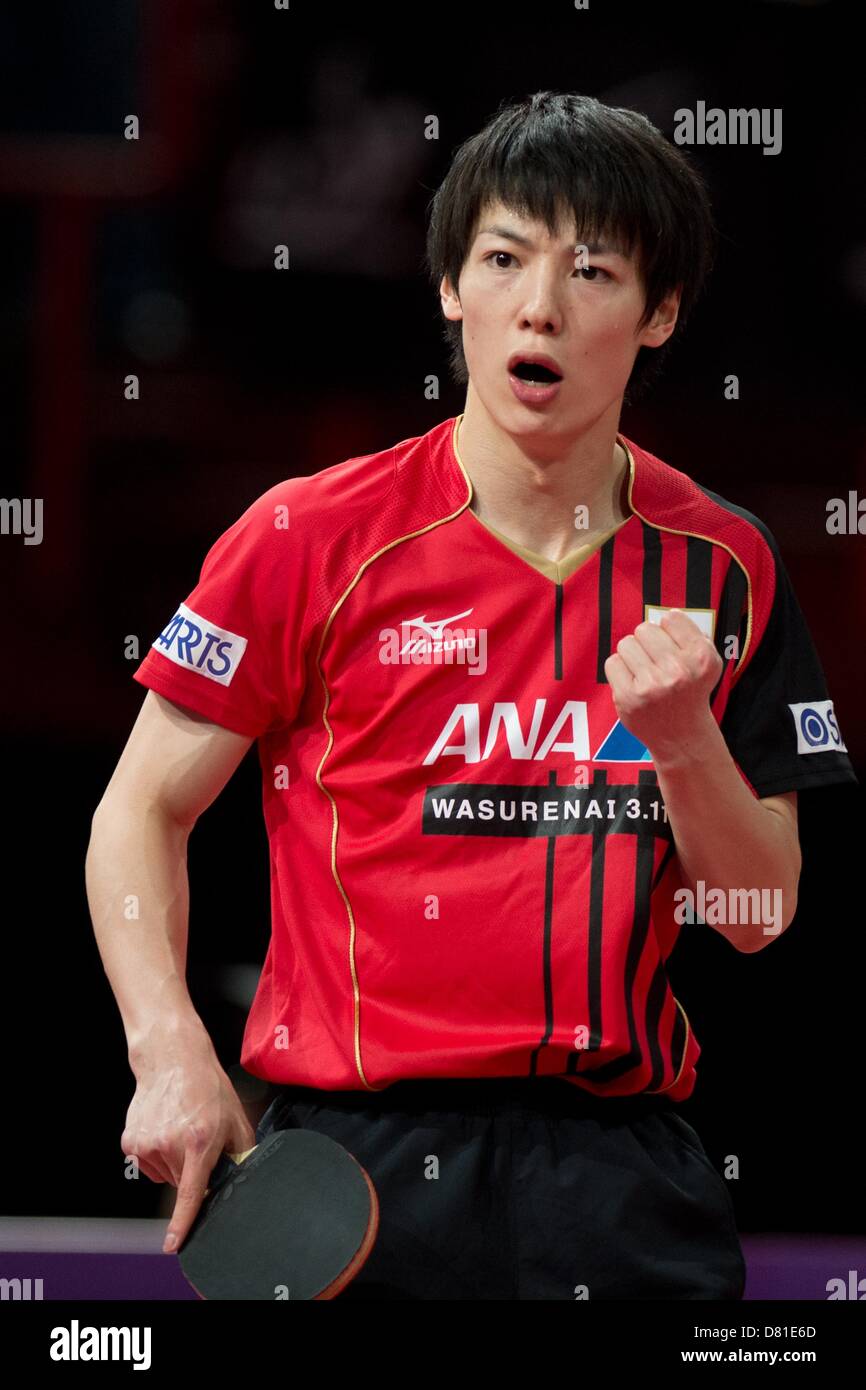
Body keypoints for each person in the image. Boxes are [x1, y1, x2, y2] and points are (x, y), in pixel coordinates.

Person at [86, 91, 856, 1300]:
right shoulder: (306, 535)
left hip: (618, 1172)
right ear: (452, 288)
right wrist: (166, 1045)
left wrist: (680, 738)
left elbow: (756, 910)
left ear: (657, 314)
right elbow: (137, 809)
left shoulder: (722, 563)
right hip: (356, 1163)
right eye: (502, 258)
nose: (539, 304)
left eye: (591, 270)